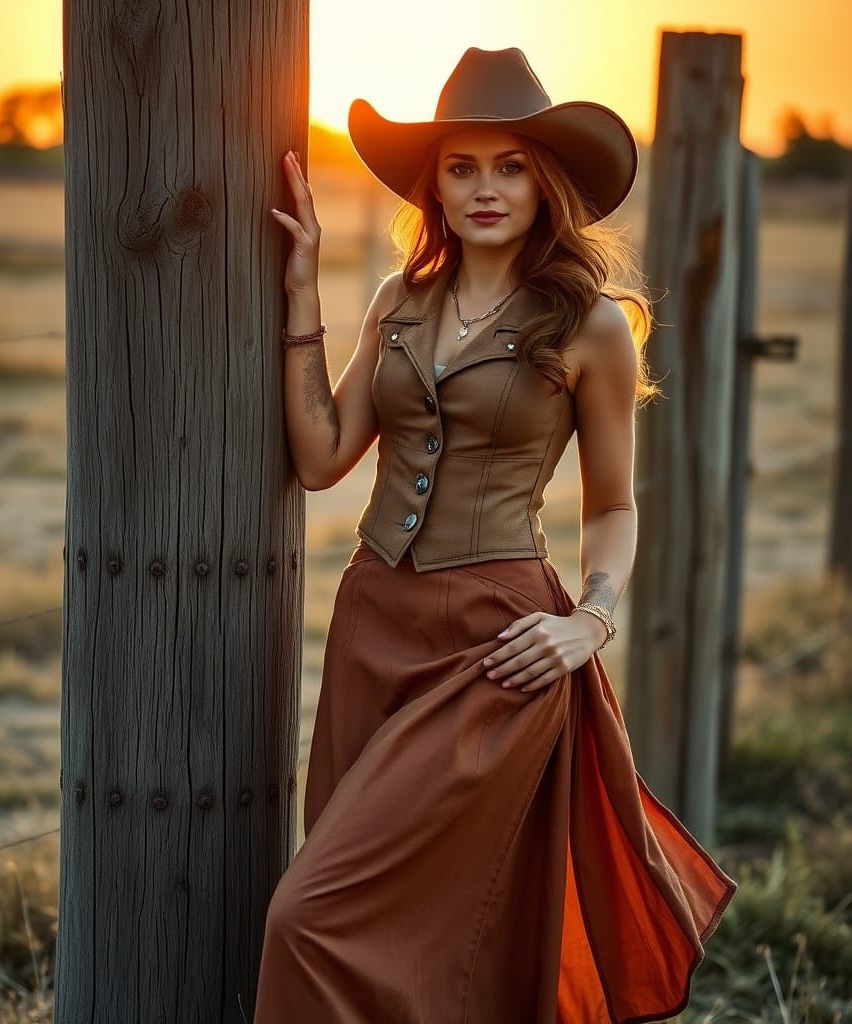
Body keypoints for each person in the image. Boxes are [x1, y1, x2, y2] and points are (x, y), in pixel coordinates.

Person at [254, 46, 738, 1024]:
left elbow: (612, 506)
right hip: (371, 629)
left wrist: (590, 621)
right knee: (409, 921)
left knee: (307, 915)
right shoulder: (398, 300)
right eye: (461, 166)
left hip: (498, 647)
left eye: (509, 165)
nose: (485, 187)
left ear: (545, 180)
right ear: (432, 181)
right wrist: (301, 293)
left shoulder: (590, 325)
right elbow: (320, 456)